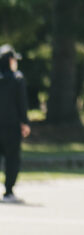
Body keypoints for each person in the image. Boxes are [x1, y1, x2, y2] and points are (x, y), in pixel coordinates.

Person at [0, 44, 30, 203]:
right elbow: (22, 103)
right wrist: (24, 122)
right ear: (10, 60)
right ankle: (8, 191)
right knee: (12, 160)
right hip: (11, 126)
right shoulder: (17, 79)